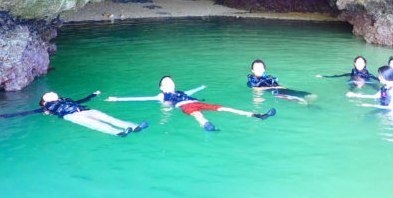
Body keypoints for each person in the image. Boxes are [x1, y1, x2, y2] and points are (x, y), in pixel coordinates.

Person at [106, 76, 276, 131]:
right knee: (197, 114)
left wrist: (200, 87)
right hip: (185, 107)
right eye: (165, 83)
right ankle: (208, 126)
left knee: (225, 108)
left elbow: (191, 93)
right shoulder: (161, 96)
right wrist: (118, 99)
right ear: (161, 87)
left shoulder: (181, 92)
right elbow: (143, 99)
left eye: (170, 82)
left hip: (195, 101)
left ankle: (258, 115)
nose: (169, 84)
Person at [0, 90, 148, 137]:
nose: (49, 93)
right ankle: (119, 132)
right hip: (73, 116)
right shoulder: (47, 108)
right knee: (97, 125)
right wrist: (0, 115)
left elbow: (81, 100)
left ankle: (134, 127)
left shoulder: (66, 99)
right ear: (44, 101)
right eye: (45, 95)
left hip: (84, 109)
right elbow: (25, 113)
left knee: (110, 118)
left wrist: (93, 95)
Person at [248, 59, 314, 103]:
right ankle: (306, 105)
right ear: (252, 70)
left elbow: (277, 84)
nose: (259, 70)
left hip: (282, 89)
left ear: (264, 70)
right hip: (276, 93)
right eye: (256, 68)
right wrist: (272, 88)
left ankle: (307, 103)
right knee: (302, 100)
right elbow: (256, 89)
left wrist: (281, 86)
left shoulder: (268, 78)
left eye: (260, 68)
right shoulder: (251, 81)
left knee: (312, 95)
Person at [315, 55, 379, 88]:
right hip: (353, 85)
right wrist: (323, 76)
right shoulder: (351, 74)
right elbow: (338, 76)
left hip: (367, 83)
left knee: (375, 86)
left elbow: (378, 79)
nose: (359, 64)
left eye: (361, 62)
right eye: (358, 62)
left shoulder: (368, 75)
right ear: (355, 64)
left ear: (364, 64)